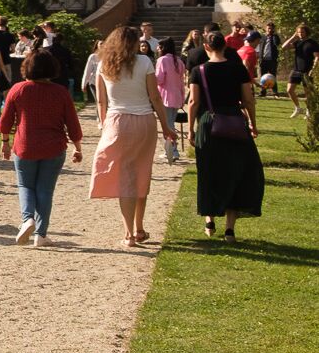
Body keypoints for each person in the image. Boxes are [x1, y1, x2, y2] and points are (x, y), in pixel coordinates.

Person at [89, 26, 175, 249]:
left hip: (117, 121)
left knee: (126, 177)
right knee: (142, 172)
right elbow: (155, 97)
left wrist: (103, 124)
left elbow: (101, 101)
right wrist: (166, 126)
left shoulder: (104, 64)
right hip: (144, 121)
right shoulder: (144, 62)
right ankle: (139, 227)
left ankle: (129, 233)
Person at [0, 50, 83, 246]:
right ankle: (41, 234)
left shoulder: (18, 89)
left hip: (25, 146)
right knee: (45, 190)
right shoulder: (60, 92)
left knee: (25, 186)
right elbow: (72, 124)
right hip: (54, 147)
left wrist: (5, 142)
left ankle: (27, 219)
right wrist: (77, 147)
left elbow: (5, 121)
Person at [187, 30, 264, 241]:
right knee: (236, 172)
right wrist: (253, 123)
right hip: (234, 122)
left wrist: (191, 129)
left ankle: (209, 219)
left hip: (208, 123)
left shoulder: (198, 71)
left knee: (209, 171)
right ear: (225, 46)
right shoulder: (238, 69)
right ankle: (230, 229)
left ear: (206, 47)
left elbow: (193, 102)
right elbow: (248, 100)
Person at [155, 39, 188, 161]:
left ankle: (173, 150)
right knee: (171, 123)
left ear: (163, 48)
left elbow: (159, 79)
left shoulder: (162, 60)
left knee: (168, 125)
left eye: (159, 47)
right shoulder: (179, 61)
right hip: (177, 96)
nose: (157, 49)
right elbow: (181, 82)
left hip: (165, 97)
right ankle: (172, 149)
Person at [288, 22, 315, 119]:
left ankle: (308, 110)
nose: (300, 34)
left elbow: (317, 57)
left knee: (307, 93)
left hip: (307, 71)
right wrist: (293, 36)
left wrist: (313, 69)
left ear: (306, 32)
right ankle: (298, 108)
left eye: (302, 32)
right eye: (298, 32)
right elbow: (284, 47)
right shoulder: (297, 42)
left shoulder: (312, 43)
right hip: (296, 70)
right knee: (289, 90)